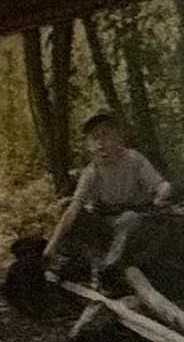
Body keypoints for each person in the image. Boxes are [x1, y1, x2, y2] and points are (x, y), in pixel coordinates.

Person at [47, 110, 172, 266]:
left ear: (118, 137)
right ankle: (80, 258)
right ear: (88, 146)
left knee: (130, 218)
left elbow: (160, 184)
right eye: (94, 138)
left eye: (105, 135)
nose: (100, 143)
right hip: (106, 223)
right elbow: (74, 208)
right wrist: (51, 245)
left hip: (136, 219)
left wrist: (162, 193)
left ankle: (110, 265)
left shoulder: (134, 159)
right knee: (66, 208)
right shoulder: (91, 172)